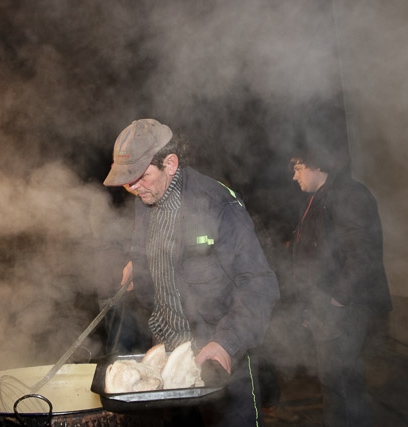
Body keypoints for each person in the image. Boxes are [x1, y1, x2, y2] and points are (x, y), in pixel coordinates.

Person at [103, 118, 280, 426]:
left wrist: (226, 343)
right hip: (170, 355)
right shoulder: (146, 199)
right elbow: (153, 249)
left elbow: (258, 285)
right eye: (128, 180)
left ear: (170, 164)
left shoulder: (217, 204)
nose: (132, 187)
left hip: (220, 356)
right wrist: (140, 266)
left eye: (141, 176)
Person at [289, 147, 392, 427]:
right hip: (325, 305)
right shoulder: (317, 199)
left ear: (316, 166)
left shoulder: (348, 194)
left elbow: (362, 253)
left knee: (340, 381)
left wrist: (337, 300)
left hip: (345, 307)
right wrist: (311, 306)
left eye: (298, 168)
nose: (294, 176)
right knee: (338, 381)